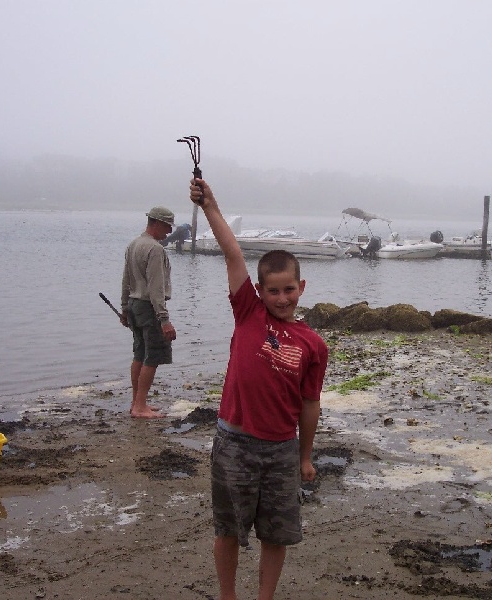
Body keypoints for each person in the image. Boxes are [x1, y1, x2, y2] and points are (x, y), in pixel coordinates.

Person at [189, 178, 328, 600]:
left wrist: (305, 457)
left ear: (301, 288)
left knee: (276, 535)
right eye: (273, 291)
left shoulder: (313, 345)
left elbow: (310, 404)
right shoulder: (248, 312)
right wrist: (211, 205)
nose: (282, 298)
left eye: (289, 289)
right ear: (259, 291)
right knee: (227, 530)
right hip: (235, 443)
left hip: (282, 450)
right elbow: (233, 253)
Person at [120, 206, 177, 418]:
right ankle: (140, 405)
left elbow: (126, 279)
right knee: (152, 356)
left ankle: (136, 402)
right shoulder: (155, 249)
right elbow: (156, 288)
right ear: (156, 223)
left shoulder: (133, 244)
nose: (169, 232)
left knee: (139, 354)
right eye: (167, 226)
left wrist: (125, 308)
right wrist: (164, 319)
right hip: (149, 307)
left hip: (135, 304)